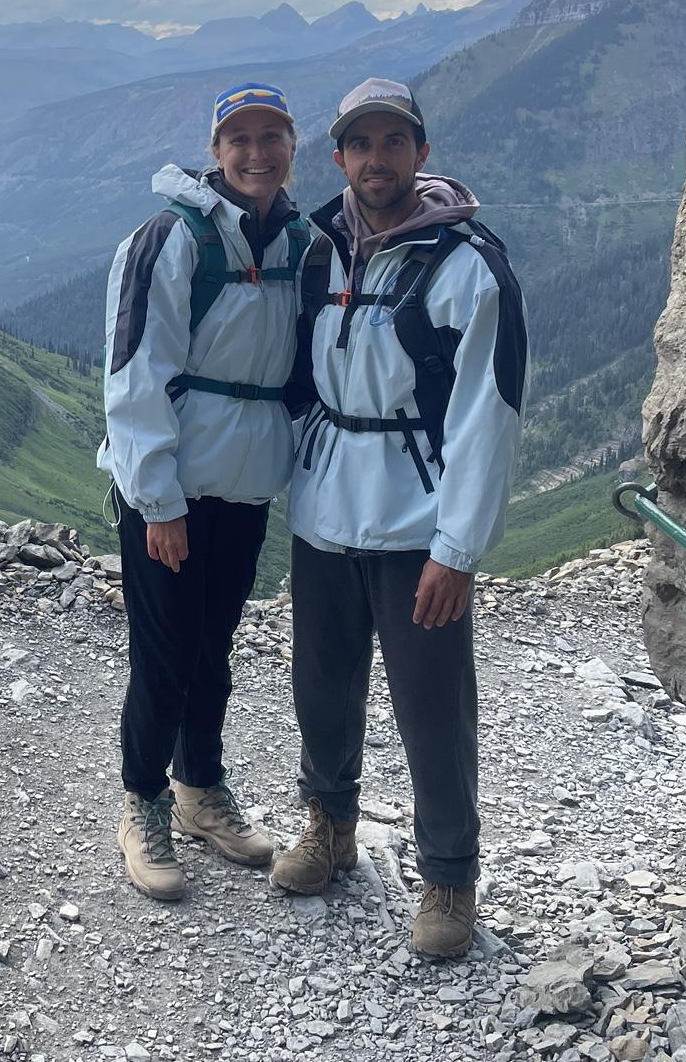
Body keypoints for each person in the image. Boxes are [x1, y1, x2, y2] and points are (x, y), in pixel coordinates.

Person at [272, 77, 528, 958]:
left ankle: (449, 876)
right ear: (338, 157)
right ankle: (329, 826)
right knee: (321, 684)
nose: (375, 159)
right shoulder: (321, 253)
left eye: (392, 142)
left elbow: (488, 417)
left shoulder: (467, 267)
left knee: (433, 704)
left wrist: (457, 548)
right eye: (360, 143)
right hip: (324, 508)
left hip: (418, 522)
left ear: (421, 153)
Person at [99, 83, 308, 900]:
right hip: (175, 488)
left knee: (212, 648)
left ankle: (199, 789)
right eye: (239, 140)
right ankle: (142, 802)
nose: (256, 154)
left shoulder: (296, 239)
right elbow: (135, 374)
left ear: (293, 147)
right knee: (164, 655)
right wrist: (158, 500)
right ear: (215, 152)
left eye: (271, 137)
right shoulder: (171, 238)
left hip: (244, 485)